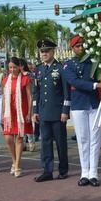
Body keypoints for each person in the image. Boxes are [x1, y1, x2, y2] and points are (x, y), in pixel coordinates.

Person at [63, 35, 101, 187]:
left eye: (82, 45)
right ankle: (84, 172)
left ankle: (93, 173)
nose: (81, 48)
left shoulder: (94, 62)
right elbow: (74, 82)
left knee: (95, 138)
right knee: (83, 139)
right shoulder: (68, 65)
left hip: (94, 103)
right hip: (79, 104)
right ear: (72, 48)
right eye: (77, 46)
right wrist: (95, 86)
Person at [32, 39, 70, 182]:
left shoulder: (60, 68)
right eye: (42, 52)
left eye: (47, 51)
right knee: (45, 143)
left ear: (53, 51)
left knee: (60, 143)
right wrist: (35, 110)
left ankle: (63, 169)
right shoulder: (39, 69)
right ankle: (47, 171)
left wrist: (65, 111)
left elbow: (67, 92)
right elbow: (37, 92)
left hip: (58, 112)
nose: (44, 54)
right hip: (43, 112)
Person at [1, 57, 33, 177]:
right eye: (10, 67)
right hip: (9, 113)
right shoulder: (5, 80)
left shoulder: (25, 79)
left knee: (19, 138)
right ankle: (14, 161)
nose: (13, 69)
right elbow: (4, 97)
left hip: (21, 112)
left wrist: (29, 112)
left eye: (15, 67)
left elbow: (30, 96)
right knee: (8, 138)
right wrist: (3, 112)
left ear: (19, 67)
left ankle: (17, 165)